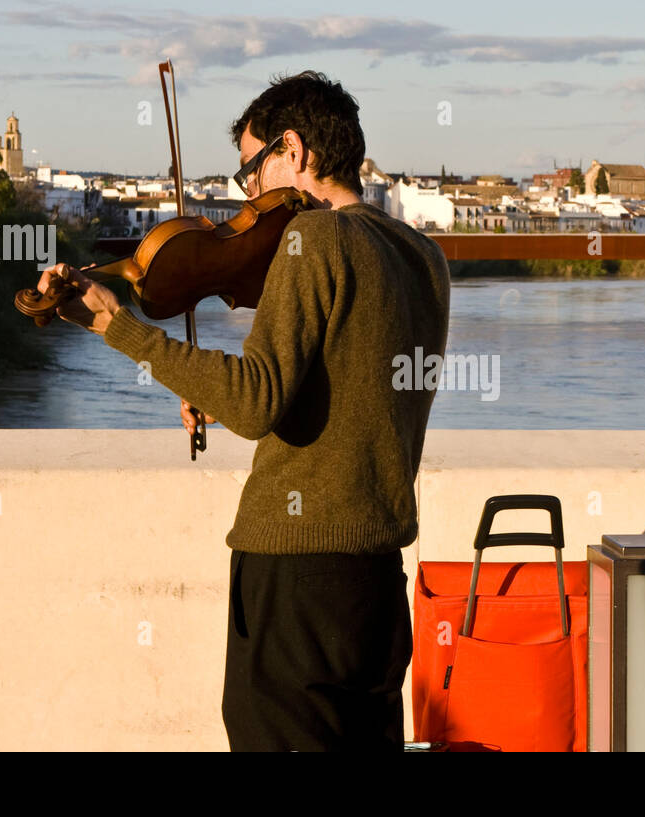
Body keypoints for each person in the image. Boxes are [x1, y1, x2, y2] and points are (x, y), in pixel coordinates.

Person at [34, 70, 451, 751]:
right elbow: (343, 389)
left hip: (296, 578)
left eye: (251, 170)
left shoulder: (311, 241)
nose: (248, 195)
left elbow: (256, 401)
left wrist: (119, 326)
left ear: (296, 151)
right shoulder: (419, 254)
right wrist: (217, 390)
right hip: (376, 583)